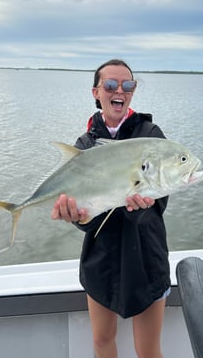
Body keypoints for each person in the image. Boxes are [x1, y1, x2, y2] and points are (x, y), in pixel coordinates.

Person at [51, 59, 170, 358]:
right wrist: (76, 217)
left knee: (149, 350)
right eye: (110, 85)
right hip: (101, 260)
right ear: (96, 92)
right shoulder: (84, 145)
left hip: (146, 257)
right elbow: (86, 213)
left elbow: (160, 201)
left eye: (128, 85)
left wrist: (141, 207)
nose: (120, 90)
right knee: (102, 341)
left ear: (132, 92)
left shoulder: (150, 135)